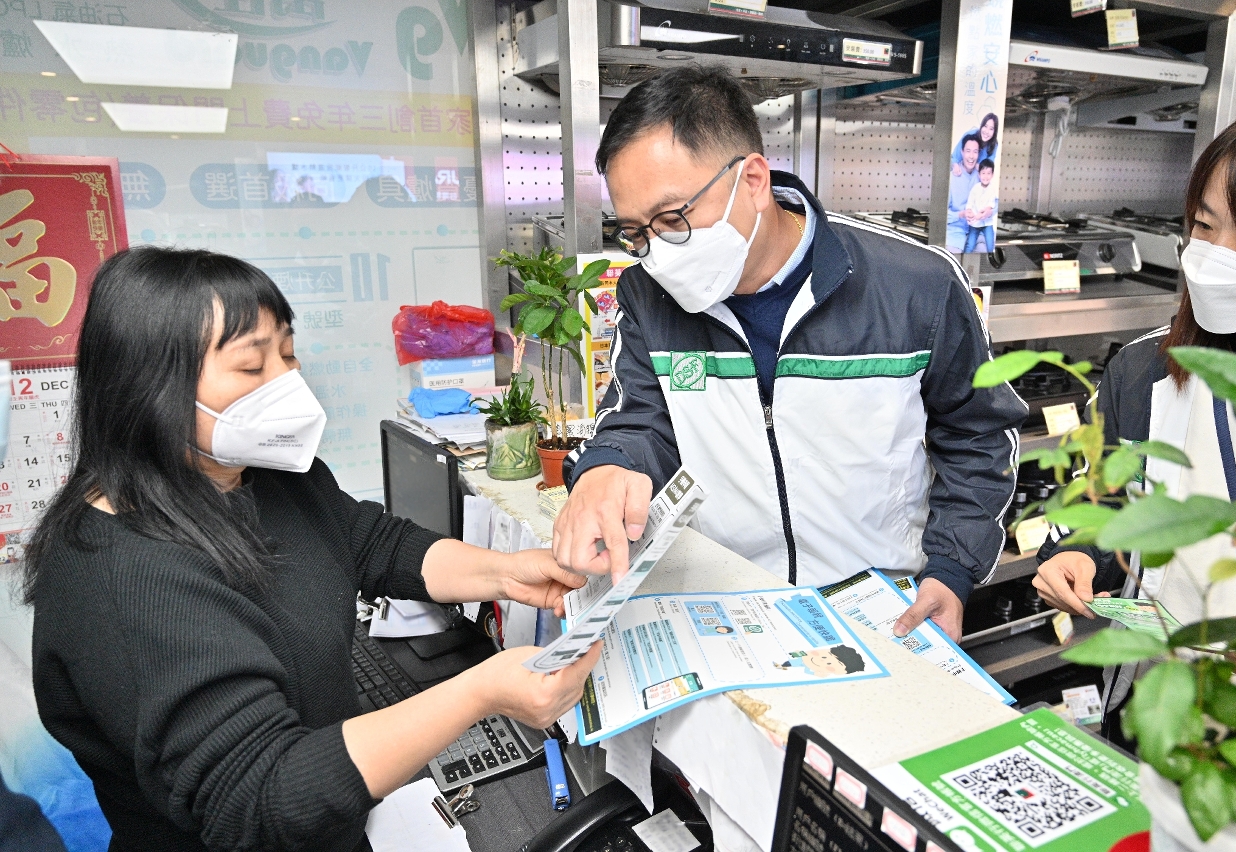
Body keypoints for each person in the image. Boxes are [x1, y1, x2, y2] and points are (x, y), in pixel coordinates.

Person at [24, 247, 600, 852]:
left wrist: (506, 573)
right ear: (149, 388)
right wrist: (480, 692)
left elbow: (370, 543)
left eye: (289, 353)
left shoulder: (266, 476)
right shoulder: (120, 577)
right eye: (252, 366)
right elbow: (261, 797)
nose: (287, 381)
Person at [553, 66, 1027, 641]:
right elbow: (642, 421)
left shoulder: (914, 286)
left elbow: (978, 433)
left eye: (673, 219)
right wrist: (607, 466)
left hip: (882, 611)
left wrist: (952, 568)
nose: (658, 253)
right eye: (636, 233)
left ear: (753, 180)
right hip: (726, 614)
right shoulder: (648, 296)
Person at [1034, 100, 1236, 725]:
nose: (1217, 257)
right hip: (1157, 706)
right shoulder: (1147, 370)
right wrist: (1079, 553)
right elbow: (1110, 502)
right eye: (1204, 226)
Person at [946, 133, 983, 253]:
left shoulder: (982, 177)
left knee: (984, 251)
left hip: (977, 233)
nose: (971, 156)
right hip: (954, 234)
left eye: (975, 152)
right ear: (962, 152)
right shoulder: (951, 178)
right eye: (968, 151)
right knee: (953, 257)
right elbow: (941, 214)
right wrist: (961, 214)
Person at [963, 159, 998, 253]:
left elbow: (990, 205)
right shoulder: (975, 188)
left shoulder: (993, 189)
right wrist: (970, 212)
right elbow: (970, 203)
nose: (985, 176)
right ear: (979, 174)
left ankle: (991, 260)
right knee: (970, 244)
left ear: (992, 175)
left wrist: (981, 215)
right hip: (975, 224)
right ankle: (963, 259)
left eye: (988, 173)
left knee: (990, 245)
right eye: (983, 173)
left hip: (987, 223)